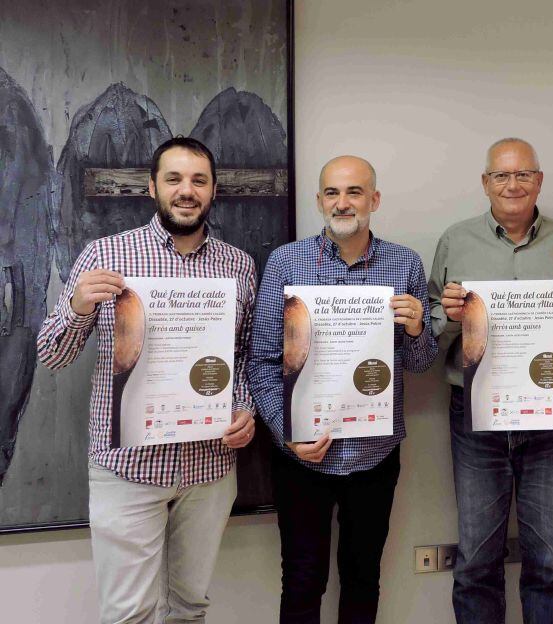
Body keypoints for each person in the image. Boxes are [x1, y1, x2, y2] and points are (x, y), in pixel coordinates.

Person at [36, 137, 258, 623]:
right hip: (129, 470)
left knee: (191, 608)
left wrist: (245, 407)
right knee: (128, 615)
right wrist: (78, 306)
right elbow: (51, 355)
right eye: (174, 179)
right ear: (152, 186)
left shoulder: (238, 265)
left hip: (209, 469)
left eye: (198, 181)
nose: (186, 191)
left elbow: (242, 358)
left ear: (213, 190)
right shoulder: (105, 255)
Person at [247, 156, 438, 623]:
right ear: (318, 201)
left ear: (374, 199)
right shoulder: (286, 263)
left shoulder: (404, 263)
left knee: (362, 579)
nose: (342, 202)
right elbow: (262, 362)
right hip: (301, 459)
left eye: (354, 191)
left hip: (374, 456)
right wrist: (285, 432)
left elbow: (420, 363)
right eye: (332, 192)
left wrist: (417, 331)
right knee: (302, 581)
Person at [428, 138, 553, 624]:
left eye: (523, 174)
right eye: (501, 176)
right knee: (476, 560)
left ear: (539, 181)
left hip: (550, 412)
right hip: (475, 413)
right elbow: (428, 334)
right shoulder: (455, 240)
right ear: (485, 183)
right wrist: (444, 317)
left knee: (549, 559)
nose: (512, 184)